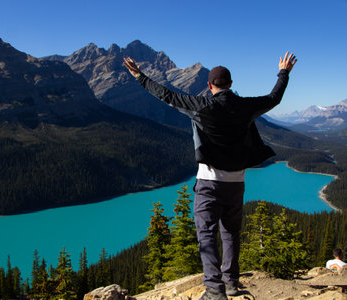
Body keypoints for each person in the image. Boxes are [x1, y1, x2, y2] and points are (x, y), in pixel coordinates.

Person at [124, 52, 297, 300]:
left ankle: (215, 291)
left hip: (208, 182)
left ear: (209, 86)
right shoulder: (245, 106)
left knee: (206, 233)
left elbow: (166, 95)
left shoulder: (201, 106)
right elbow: (274, 98)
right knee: (230, 233)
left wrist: (140, 76)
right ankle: (231, 283)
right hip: (236, 183)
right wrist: (284, 72)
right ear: (231, 85)